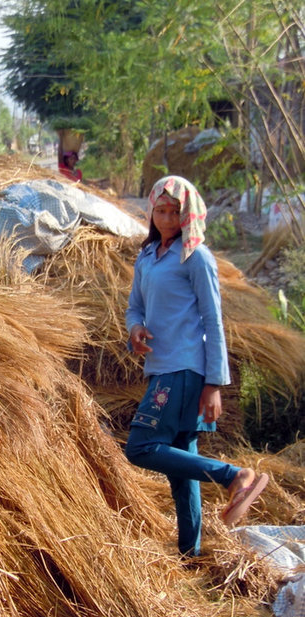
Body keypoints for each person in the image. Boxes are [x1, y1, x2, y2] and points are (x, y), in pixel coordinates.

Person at [124, 175, 268, 557]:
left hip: (184, 368)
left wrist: (215, 382)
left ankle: (233, 475)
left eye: (176, 212)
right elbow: (134, 306)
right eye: (161, 211)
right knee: (179, 466)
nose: (168, 219)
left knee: (139, 447)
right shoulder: (148, 256)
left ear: (189, 215)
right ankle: (191, 553)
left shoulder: (196, 256)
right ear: (151, 211)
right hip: (159, 365)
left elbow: (212, 319)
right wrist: (135, 328)